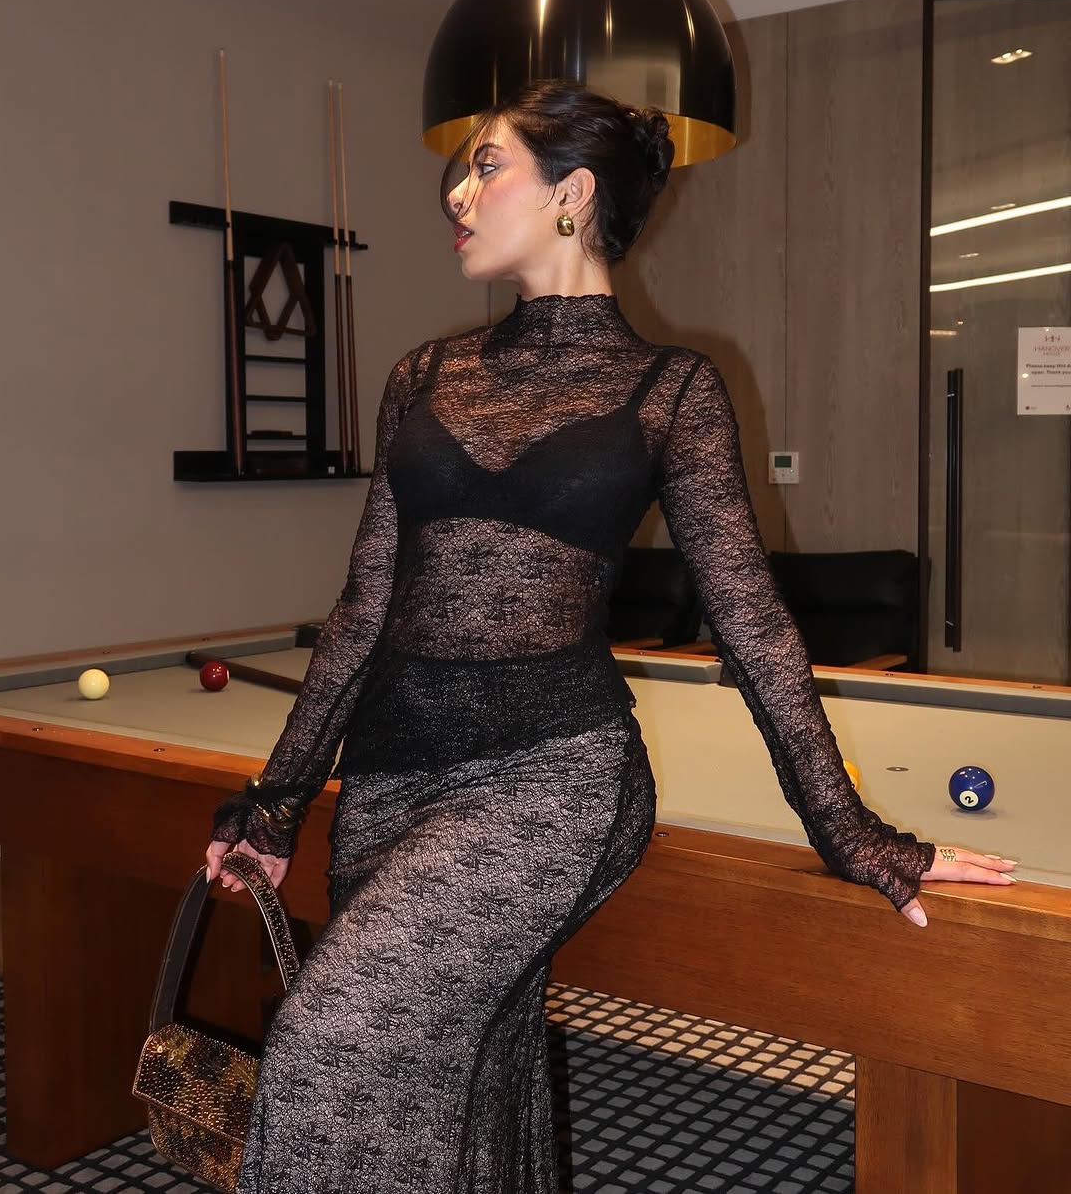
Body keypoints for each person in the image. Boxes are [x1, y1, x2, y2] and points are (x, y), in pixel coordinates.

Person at [205, 79, 1016, 1193]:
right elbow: (362, 608)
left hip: (552, 778)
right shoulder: (421, 376)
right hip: (388, 777)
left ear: (572, 193)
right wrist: (278, 801)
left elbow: (750, 618)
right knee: (460, 1077)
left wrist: (849, 830)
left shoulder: (672, 388)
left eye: (486, 164)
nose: (457, 192)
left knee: (325, 1041)